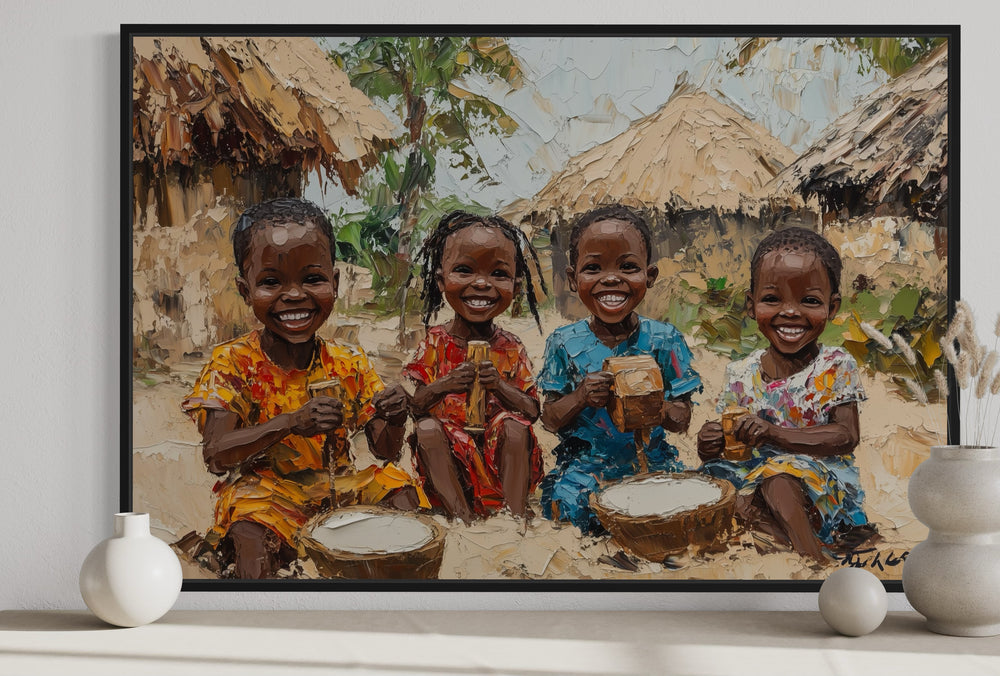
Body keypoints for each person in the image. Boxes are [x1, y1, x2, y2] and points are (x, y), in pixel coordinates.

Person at [182, 197, 421, 579]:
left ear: (335, 283)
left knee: (399, 489)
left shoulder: (349, 363)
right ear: (246, 292)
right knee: (249, 531)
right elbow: (216, 455)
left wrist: (393, 417)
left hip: (339, 485)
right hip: (267, 493)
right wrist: (290, 423)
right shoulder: (233, 363)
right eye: (271, 282)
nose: (294, 295)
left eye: (312, 279)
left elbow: (385, 450)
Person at [697, 227, 870, 564]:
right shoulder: (740, 373)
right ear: (751, 304)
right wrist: (711, 442)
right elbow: (732, 445)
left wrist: (773, 433)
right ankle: (773, 533)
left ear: (832, 307)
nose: (790, 312)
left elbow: (846, 435)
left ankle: (812, 558)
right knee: (714, 489)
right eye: (772, 299)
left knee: (777, 478)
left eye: (809, 301)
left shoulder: (835, 365)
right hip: (754, 477)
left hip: (817, 485)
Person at [538, 205, 701, 535]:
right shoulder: (564, 342)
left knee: (681, 505)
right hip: (587, 464)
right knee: (572, 504)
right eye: (593, 268)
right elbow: (550, 419)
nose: (611, 278)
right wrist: (582, 396)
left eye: (628, 267)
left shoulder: (665, 340)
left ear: (649, 277)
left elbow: (681, 420)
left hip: (651, 461)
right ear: (573, 279)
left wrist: (653, 403)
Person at [405, 211, 547, 524]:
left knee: (514, 425)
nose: (481, 284)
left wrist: (499, 386)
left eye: (498, 274)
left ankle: (514, 516)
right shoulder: (435, 343)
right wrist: (445, 384)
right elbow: (416, 406)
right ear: (442, 280)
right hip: (452, 460)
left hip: (500, 459)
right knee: (427, 427)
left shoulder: (509, 347)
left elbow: (532, 410)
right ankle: (462, 518)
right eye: (464, 271)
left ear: (515, 283)